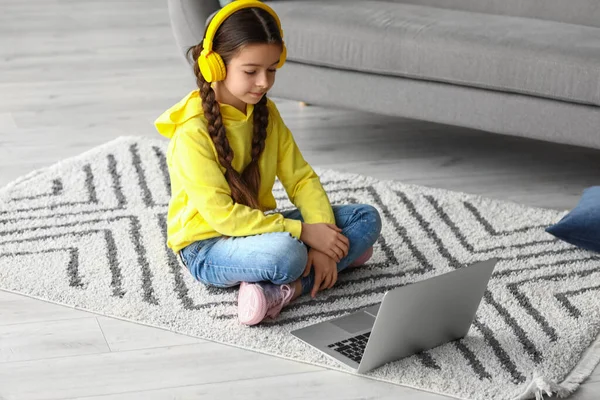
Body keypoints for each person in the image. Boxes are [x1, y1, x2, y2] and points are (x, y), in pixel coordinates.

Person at [155, 0, 381, 326]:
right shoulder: (191, 131)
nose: (264, 82)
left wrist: (322, 241)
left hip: (258, 229)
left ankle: (287, 283)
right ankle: (314, 269)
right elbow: (224, 218)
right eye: (251, 71)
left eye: (272, 69)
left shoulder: (265, 112)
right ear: (215, 67)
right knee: (287, 255)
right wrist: (305, 232)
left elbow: (301, 179)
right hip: (205, 246)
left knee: (365, 218)